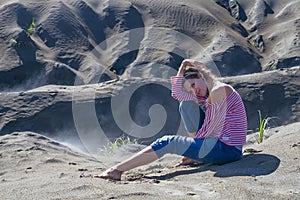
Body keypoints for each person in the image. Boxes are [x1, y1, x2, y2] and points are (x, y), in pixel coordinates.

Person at [94, 59, 247, 181]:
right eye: (191, 89)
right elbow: (178, 94)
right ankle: (198, 151)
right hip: (219, 145)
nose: (194, 91)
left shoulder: (219, 91)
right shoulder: (206, 93)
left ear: (201, 75)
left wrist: (188, 148)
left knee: (168, 142)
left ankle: (117, 170)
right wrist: (183, 66)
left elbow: (212, 131)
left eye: (193, 85)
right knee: (186, 104)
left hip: (227, 149)